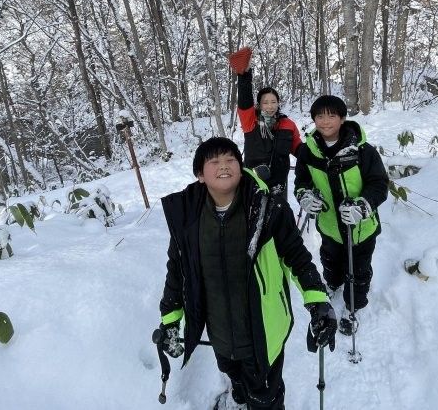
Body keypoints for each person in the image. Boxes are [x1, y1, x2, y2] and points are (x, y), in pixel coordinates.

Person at [156, 137, 337, 409]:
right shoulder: (189, 217)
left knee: (265, 393)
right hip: (219, 331)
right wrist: (170, 320)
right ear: (200, 175)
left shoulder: (268, 208)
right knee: (234, 374)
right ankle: (240, 395)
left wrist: (318, 301)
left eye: (231, 160)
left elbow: (296, 257)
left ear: (241, 168)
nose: (224, 166)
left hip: (264, 331)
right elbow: (178, 270)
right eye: (214, 162)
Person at [294, 95, 389, 336]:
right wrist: (305, 196)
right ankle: (333, 283)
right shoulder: (308, 152)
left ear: (343, 118)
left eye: (332, 115)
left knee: (358, 270)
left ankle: (353, 306)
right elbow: (301, 182)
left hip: (361, 229)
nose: (325, 121)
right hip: (329, 226)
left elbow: (379, 184)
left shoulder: (362, 151)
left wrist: (362, 205)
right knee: (330, 260)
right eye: (320, 116)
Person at [229, 47, 302, 199]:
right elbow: (244, 100)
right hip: (253, 183)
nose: (270, 106)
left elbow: (299, 149)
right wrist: (244, 74)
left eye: (273, 102)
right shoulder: (251, 121)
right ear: (259, 105)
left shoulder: (288, 124)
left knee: (278, 220)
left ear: (278, 103)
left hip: (279, 185)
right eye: (265, 102)